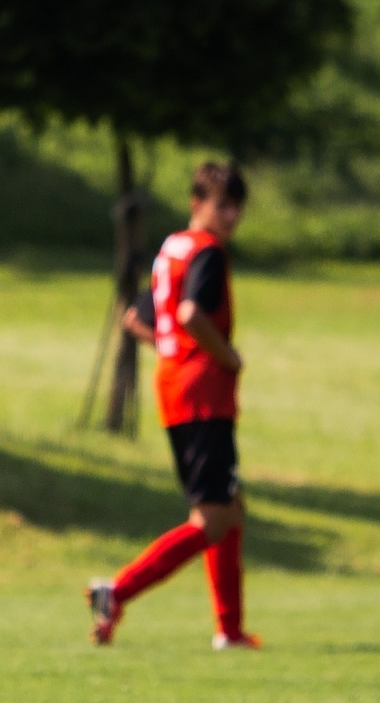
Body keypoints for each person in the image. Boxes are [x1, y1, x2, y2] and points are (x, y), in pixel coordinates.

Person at [87, 162, 259, 651]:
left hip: (176, 390)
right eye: (221, 205)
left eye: (235, 208)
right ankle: (116, 591)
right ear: (197, 202)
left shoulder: (172, 249)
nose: (229, 217)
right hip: (204, 395)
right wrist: (227, 356)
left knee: (231, 508)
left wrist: (173, 350)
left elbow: (136, 319)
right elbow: (189, 314)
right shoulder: (206, 252)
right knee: (212, 518)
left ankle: (230, 629)